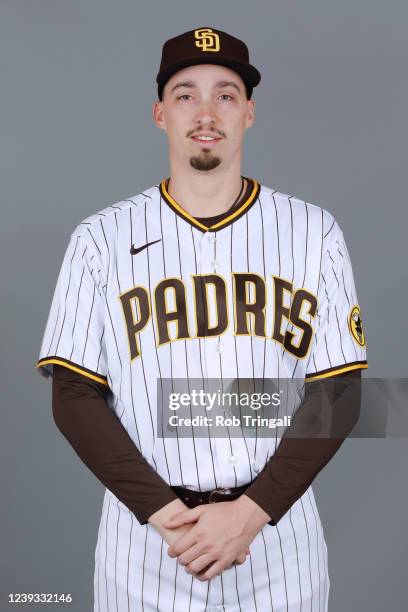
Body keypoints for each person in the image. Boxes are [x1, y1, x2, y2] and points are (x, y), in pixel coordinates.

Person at [36, 26, 368, 611]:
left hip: (274, 539)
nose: (206, 111)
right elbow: (74, 397)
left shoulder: (314, 232)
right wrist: (169, 519)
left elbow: (340, 392)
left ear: (250, 113)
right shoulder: (100, 238)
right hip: (145, 544)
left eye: (227, 93)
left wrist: (249, 514)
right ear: (160, 113)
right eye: (187, 94)